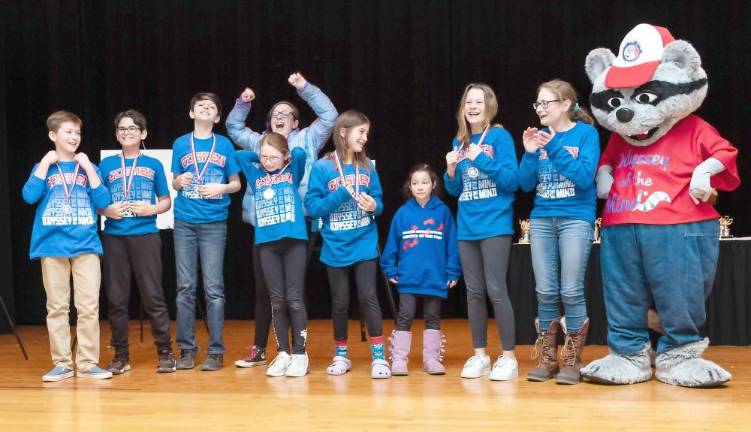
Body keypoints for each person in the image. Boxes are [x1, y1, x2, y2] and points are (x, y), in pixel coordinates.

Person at [226, 73, 337, 368]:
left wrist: (304, 88)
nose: (280, 116)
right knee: (268, 292)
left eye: (287, 114)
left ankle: (299, 351)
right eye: (275, 113)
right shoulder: (258, 144)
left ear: (296, 123)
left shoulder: (306, 139)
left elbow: (329, 115)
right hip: (264, 228)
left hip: (298, 223)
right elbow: (234, 129)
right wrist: (243, 104)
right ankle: (268, 350)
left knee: (293, 293)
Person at [517, 79, 600, 384]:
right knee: (546, 290)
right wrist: (528, 152)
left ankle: (572, 360)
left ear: (565, 104)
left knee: (571, 290)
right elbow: (525, 184)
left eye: (546, 103)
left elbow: (583, 177)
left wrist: (551, 145)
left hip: (575, 219)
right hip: (542, 219)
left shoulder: (585, 134)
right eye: (537, 103)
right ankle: (549, 358)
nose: (540, 108)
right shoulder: (538, 139)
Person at [22, 110, 113, 381]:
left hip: (86, 245)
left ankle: (87, 363)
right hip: (51, 246)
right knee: (57, 307)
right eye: (68, 132)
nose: (74, 137)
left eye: (78, 132)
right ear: (53, 135)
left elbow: (103, 201)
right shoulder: (44, 167)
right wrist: (43, 164)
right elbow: (29, 196)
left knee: (88, 307)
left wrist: (87, 168)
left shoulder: (89, 168)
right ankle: (62, 363)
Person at [304, 110, 390, 379]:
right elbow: (312, 206)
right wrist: (340, 194)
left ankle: (379, 357)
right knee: (340, 302)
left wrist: (375, 205)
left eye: (366, 133)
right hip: (335, 244)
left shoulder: (367, 167)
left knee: (368, 297)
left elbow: (379, 200)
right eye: (360, 132)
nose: (365, 138)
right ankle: (341, 355)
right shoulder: (322, 167)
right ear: (343, 132)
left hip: (364, 240)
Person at [444, 83, 519, 380]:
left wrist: (481, 159)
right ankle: (480, 356)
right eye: (468, 102)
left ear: (489, 106)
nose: (472, 107)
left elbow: (511, 180)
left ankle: (509, 357)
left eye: (478, 102)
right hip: (467, 226)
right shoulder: (459, 141)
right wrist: (450, 171)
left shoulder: (499, 137)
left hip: (495, 224)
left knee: (496, 289)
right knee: (474, 293)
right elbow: (456, 190)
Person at [99, 109, 176, 374]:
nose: (126, 132)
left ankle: (165, 352)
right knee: (117, 299)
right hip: (114, 237)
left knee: (153, 296)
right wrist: (106, 211)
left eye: (132, 128)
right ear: (116, 134)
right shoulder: (107, 165)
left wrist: (151, 209)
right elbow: (98, 201)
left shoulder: (153, 164)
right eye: (122, 129)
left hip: (145, 235)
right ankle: (121, 355)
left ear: (143, 133)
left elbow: (166, 200)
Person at [171, 92, 241, 371]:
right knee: (185, 288)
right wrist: (180, 180)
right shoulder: (180, 143)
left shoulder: (223, 144)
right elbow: (174, 183)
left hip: (214, 222)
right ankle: (187, 349)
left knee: (214, 289)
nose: (205, 108)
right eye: (200, 105)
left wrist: (220, 188)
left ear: (217, 117)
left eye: (211, 107)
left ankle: (216, 351)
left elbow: (236, 183)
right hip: (185, 221)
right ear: (192, 113)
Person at [235, 133, 309, 377]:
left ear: (284, 156)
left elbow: (300, 154)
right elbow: (239, 155)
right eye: (264, 157)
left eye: (273, 157)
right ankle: (283, 352)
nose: (267, 162)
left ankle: (300, 353)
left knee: (294, 299)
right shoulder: (256, 175)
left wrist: (284, 156)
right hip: (267, 244)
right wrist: (261, 152)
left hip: (294, 242)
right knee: (276, 301)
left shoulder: (292, 172)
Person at [380, 163, 461, 376]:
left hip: (435, 276)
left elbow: (452, 243)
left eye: (425, 182)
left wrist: (453, 271)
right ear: (410, 186)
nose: (420, 186)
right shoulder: (403, 213)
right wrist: (390, 268)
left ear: (433, 184)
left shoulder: (443, 212)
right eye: (415, 183)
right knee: (405, 316)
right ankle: (398, 360)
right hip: (408, 276)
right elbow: (392, 244)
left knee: (433, 316)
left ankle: (431, 359)